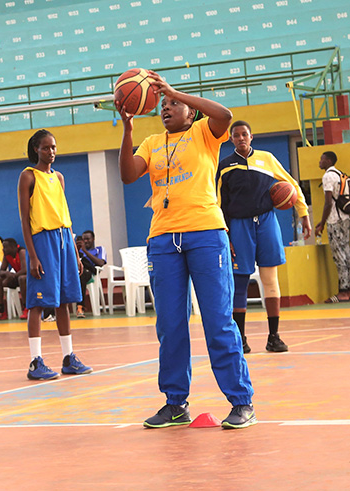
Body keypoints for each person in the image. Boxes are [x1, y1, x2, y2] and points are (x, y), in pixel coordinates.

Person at [118, 72, 255, 429]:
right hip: (163, 239)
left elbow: (223, 114)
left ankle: (242, 402)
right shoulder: (150, 141)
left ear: (190, 111)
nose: (166, 108)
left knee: (218, 320)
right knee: (171, 325)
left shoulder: (204, 134)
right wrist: (128, 129)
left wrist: (177, 91)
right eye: (162, 105)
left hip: (206, 233)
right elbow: (128, 174)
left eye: (172, 104)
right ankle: (175, 404)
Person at [217, 120, 310, 353]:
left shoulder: (267, 159)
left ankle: (274, 336)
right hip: (238, 226)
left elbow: (291, 184)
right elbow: (218, 203)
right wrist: (223, 233)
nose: (241, 138)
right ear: (231, 139)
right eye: (236, 135)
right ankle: (241, 339)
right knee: (240, 282)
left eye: (244, 134)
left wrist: (303, 213)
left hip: (267, 222)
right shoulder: (225, 166)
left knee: (270, 280)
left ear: (251, 137)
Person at [18, 129, 92, 380]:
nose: (51, 152)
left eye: (54, 147)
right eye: (46, 147)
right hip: (42, 240)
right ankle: (35, 361)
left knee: (64, 300)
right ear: (36, 149)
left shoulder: (59, 177)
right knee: (38, 302)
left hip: (63, 240)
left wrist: (76, 253)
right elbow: (25, 220)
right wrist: (33, 256)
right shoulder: (28, 176)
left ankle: (69, 357)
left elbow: (65, 216)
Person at [314, 151, 350, 303]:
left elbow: (328, 203)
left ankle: (343, 292)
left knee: (339, 256)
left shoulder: (328, 176)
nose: (320, 162)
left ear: (329, 161)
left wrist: (322, 223)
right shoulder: (343, 175)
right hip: (347, 218)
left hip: (335, 221)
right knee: (348, 254)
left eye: (322, 159)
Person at [0, 238, 28, 320]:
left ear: (13, 247)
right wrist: (7, 273)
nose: (3, 249)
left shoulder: (21, 252)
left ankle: (26, 308)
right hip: (17, 277)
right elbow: (1, 271)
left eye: (5, 247)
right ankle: (0, 311)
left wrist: (13, 276)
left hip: (29, 278)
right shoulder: (7, 255)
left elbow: (25, 270)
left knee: (22, 278)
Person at [75, 230, 106, 318]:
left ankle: (80, 307)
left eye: (88, 239)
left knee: (83, 273)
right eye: (84, 239)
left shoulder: (99, 249)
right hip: (77, 273)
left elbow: (100, 263)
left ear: (93, 239)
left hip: (91, 273)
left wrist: (85, 251)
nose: (85, 241)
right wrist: (77, 250)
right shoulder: (79, 251)